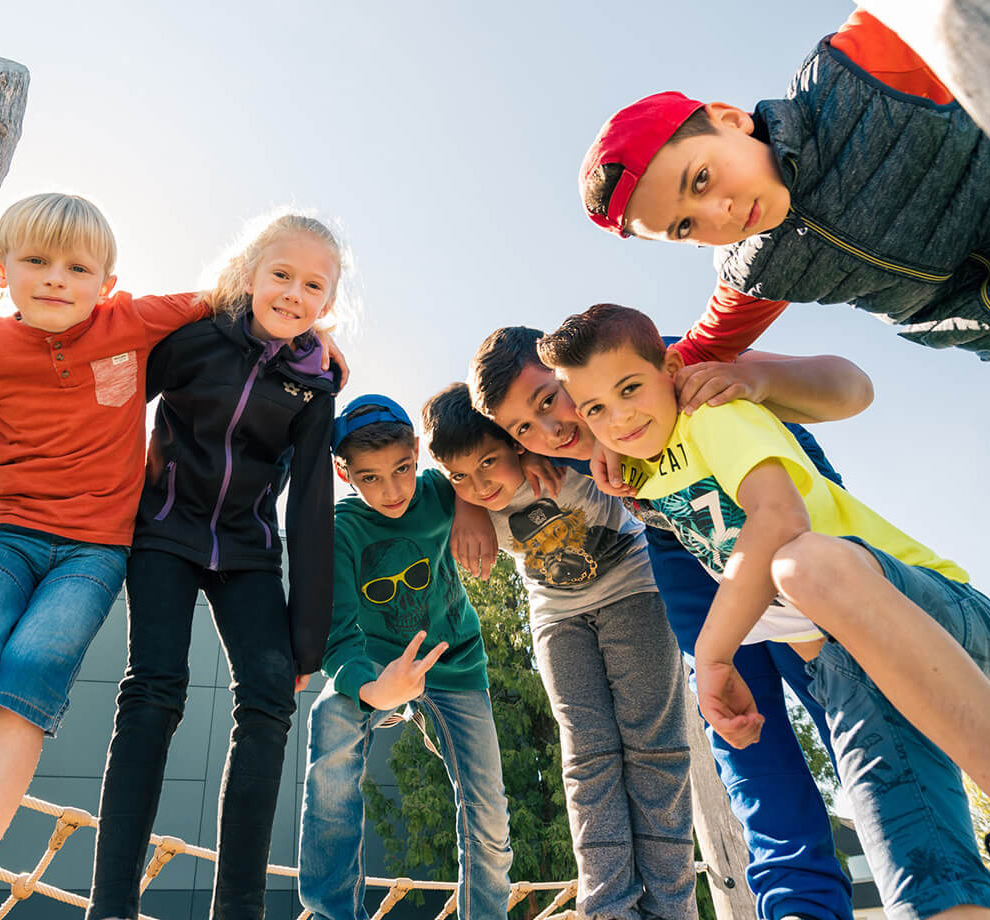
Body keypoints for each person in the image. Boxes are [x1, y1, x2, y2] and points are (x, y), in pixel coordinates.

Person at [540, 303, 990, 920]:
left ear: (671, 368)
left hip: (920, 611)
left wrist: (716, 656)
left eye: (629, 390)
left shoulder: (712, 410)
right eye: (594, 409)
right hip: (851, 680)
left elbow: (780, 517)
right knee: (927, 887)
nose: (616, 418)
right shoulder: (636, 469)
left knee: (800, 565)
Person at [468, 325, 869, 920]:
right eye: (524, 428)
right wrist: (470, 502)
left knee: (846, 711)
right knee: (743, 738)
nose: (552, 429)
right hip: (682, 549)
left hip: (790, 539)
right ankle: (800, 908)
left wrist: (755, 378)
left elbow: (851, 386)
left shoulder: (665, 368)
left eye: (552, 398)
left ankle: (929, 881)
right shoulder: (574, 455)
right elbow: (458, 442)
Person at [0, 193, 204, 920]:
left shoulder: (128, 322)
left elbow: (234, 295)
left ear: (106, 282)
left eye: (78, 267)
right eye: (36, 261)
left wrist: (311, 337)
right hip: (4, 536)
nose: (55, 278)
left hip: (94, 553)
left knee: (21, 700)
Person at [83, 213, 343, 920]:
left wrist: (305, 635)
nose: (293, 293)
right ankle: (110, 906)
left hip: (247, 551)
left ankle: (238, 910)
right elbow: (106, 402)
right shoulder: (196, 339)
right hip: (164, 531)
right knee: (155, 689)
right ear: (250, 275)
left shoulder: (316, 383)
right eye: (281, 275)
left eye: (312, 284)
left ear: (328, 301)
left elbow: (312, 503)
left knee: (269, 697)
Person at [421, 381, 695, 920]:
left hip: (632, 591)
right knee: (587, 757)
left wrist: (532, 452)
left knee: (653, 746)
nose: (480, 484)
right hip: (557, 616)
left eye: (489, 464)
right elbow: (424, 479)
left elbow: (582, 418)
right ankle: (609, 907)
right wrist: (462, 500)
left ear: (513, 443)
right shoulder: (464, 498)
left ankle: (670, 907)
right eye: (461, 477)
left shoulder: (557, 457)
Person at [578, 9, 990, 359]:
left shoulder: (855, 76)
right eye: (684, 227)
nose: (718, 214)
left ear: (730, 119)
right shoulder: (758, 269)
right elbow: (700, 352)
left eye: (701, 180)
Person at [297, 394, 512, 920]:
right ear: (343, 473)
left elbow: (474, 469)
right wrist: (372, 690)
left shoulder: (444, 491)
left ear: (418, 453)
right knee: (330, 719)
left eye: (402, 470)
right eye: (370, 478)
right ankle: (334, 912)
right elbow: (337, 636)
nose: (391, 491)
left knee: (488, 811)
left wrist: (469, 505)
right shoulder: (341, 529)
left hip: (456, 664)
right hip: (377, 667)